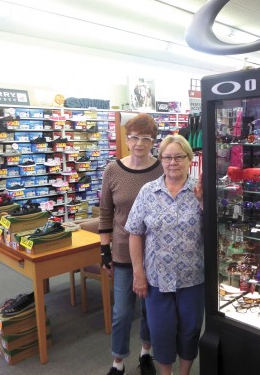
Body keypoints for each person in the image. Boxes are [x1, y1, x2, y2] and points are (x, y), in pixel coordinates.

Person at [125, 134, 204, 375]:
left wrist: (204, 203)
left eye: (179, 156)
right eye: (167, 157)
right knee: (160, 330)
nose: (173, 162)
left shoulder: (199, 191)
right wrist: (138, 273)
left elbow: (216, 232)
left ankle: (184, 373)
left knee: (190, 330)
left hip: (192, 277)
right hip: (156, 278)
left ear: (189, 159)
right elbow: (135, 233)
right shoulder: (148, 191)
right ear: (160, 160)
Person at [99, 113, 164, 375]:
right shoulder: (113, 170)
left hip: (155, 252)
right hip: (124, 252)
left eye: (145, 138)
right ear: (127, 139)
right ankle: (118, 361)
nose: (139, 143)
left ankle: (145, 353)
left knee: (150, 309)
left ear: (153, 141)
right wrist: (105, 249)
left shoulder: (161, 168)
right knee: (122, 312)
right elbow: (105, 211)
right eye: (134, 137)